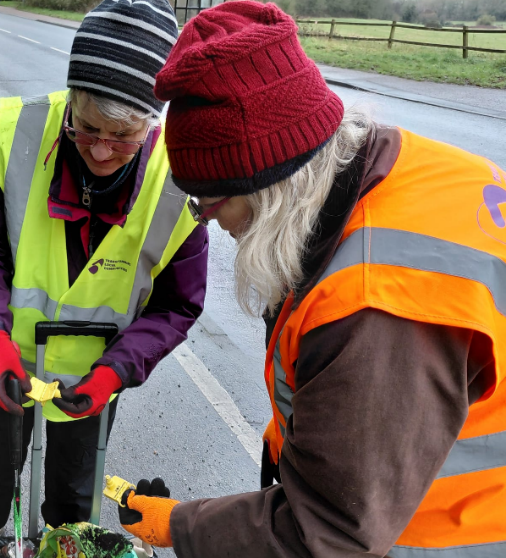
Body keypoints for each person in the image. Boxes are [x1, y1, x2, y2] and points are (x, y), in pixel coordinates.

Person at [116, 2, 506, 557]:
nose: (212, 223)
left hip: (445, 538)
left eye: (210, 205)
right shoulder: (398, 169)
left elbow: (329, 530)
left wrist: (180, 527)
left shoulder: (374, 304)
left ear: (267, 189)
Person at [0, 0, 208, 555]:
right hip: (6, 353)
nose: (101, 150)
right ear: (71, 99)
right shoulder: (16, 134)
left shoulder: (180, 178)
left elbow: (177, 305)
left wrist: (115, 372)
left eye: (123, 135)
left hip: (96, 371)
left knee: (74, 495)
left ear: (152, 122)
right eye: (87, 128)